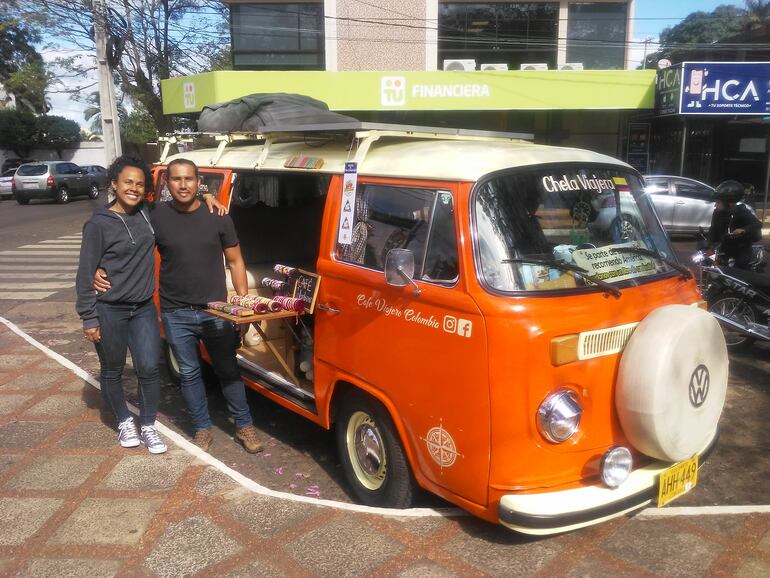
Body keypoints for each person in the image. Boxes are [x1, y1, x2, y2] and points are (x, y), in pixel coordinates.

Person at [95, 158, 263, 454]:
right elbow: (117, 227)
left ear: (199, 182)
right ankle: (202, 427)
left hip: (216, 311)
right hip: (175, 311)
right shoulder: (155, 215)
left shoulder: (218, 215)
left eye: (189, 179)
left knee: (228, 370)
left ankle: (244, 426)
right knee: (189, 373)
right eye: (176, 179)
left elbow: (236, 261)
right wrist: (98, 267)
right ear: (167, 184)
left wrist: (242, 301)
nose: (183, 185)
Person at [76, 156, 167, 454]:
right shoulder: (98, 224)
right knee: (112, 369)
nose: (134, 188)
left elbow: (178, 205)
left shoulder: (147, 213)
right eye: (128, 182)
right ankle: (125, 420)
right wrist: (89, 317)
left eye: (140, 184)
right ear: (114, 184)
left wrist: (206, 195)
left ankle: (149, 424)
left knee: (150, 367)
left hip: (142, 308)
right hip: (109, 309)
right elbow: (85, 272)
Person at [707, 180, 762, 269]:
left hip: (741, 248)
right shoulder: (717, 213)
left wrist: (743, 230)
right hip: (724, 247)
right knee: (709, 263)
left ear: (730, 203)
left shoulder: (741, 211)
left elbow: (757, 224)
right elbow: (713, 229)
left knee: (741, 265)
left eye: (718, 202)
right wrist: (709, 245)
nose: (715, 205)